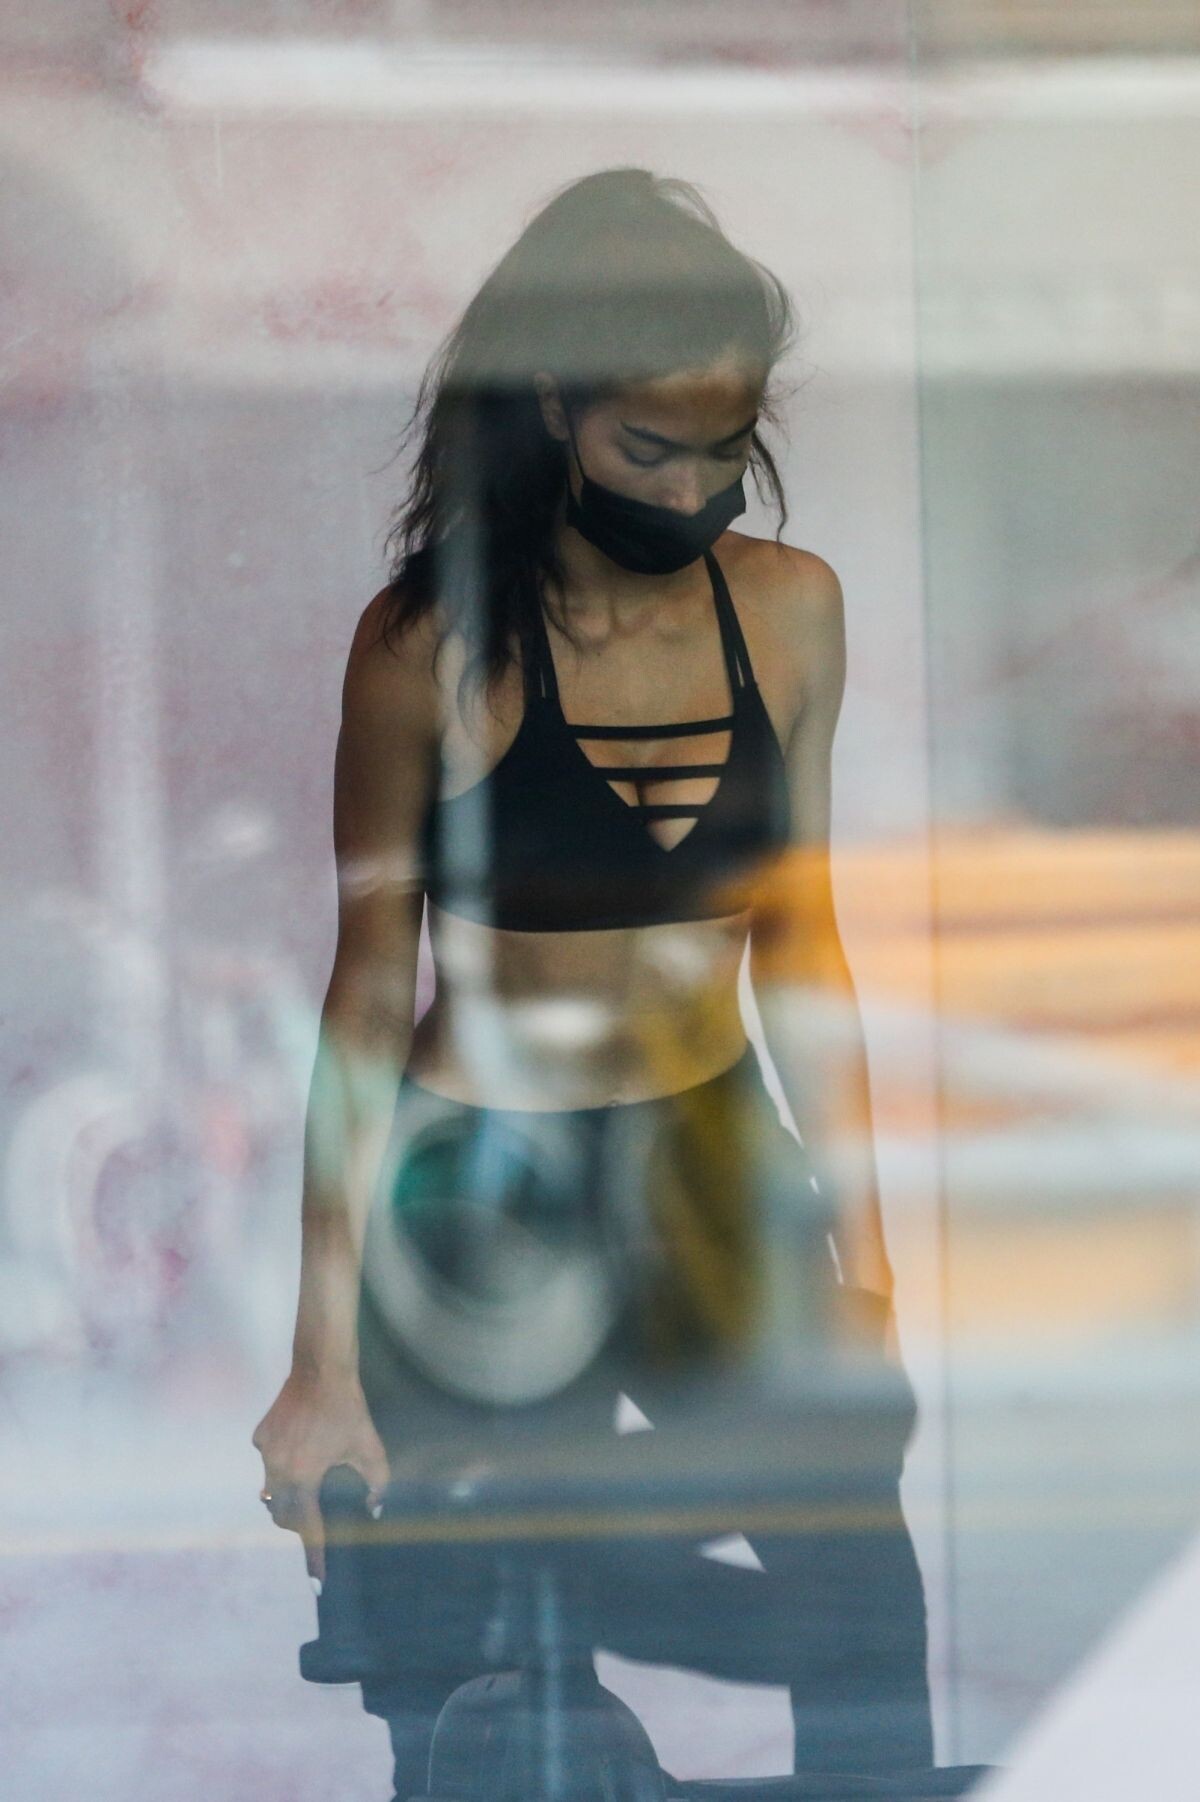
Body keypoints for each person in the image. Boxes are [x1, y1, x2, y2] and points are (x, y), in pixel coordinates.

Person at [251, 168, 934, 1799]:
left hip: (711, 1154)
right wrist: (319, 1361)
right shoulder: (426, 646)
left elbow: (804, 947)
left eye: (725, 445)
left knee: (861, 1626)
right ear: (554, 401)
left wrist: (869, 1270)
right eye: (651, 446)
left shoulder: (793, 613)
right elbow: (367, 998)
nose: (693, 486)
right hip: (482, 1184)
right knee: (460, 1664)